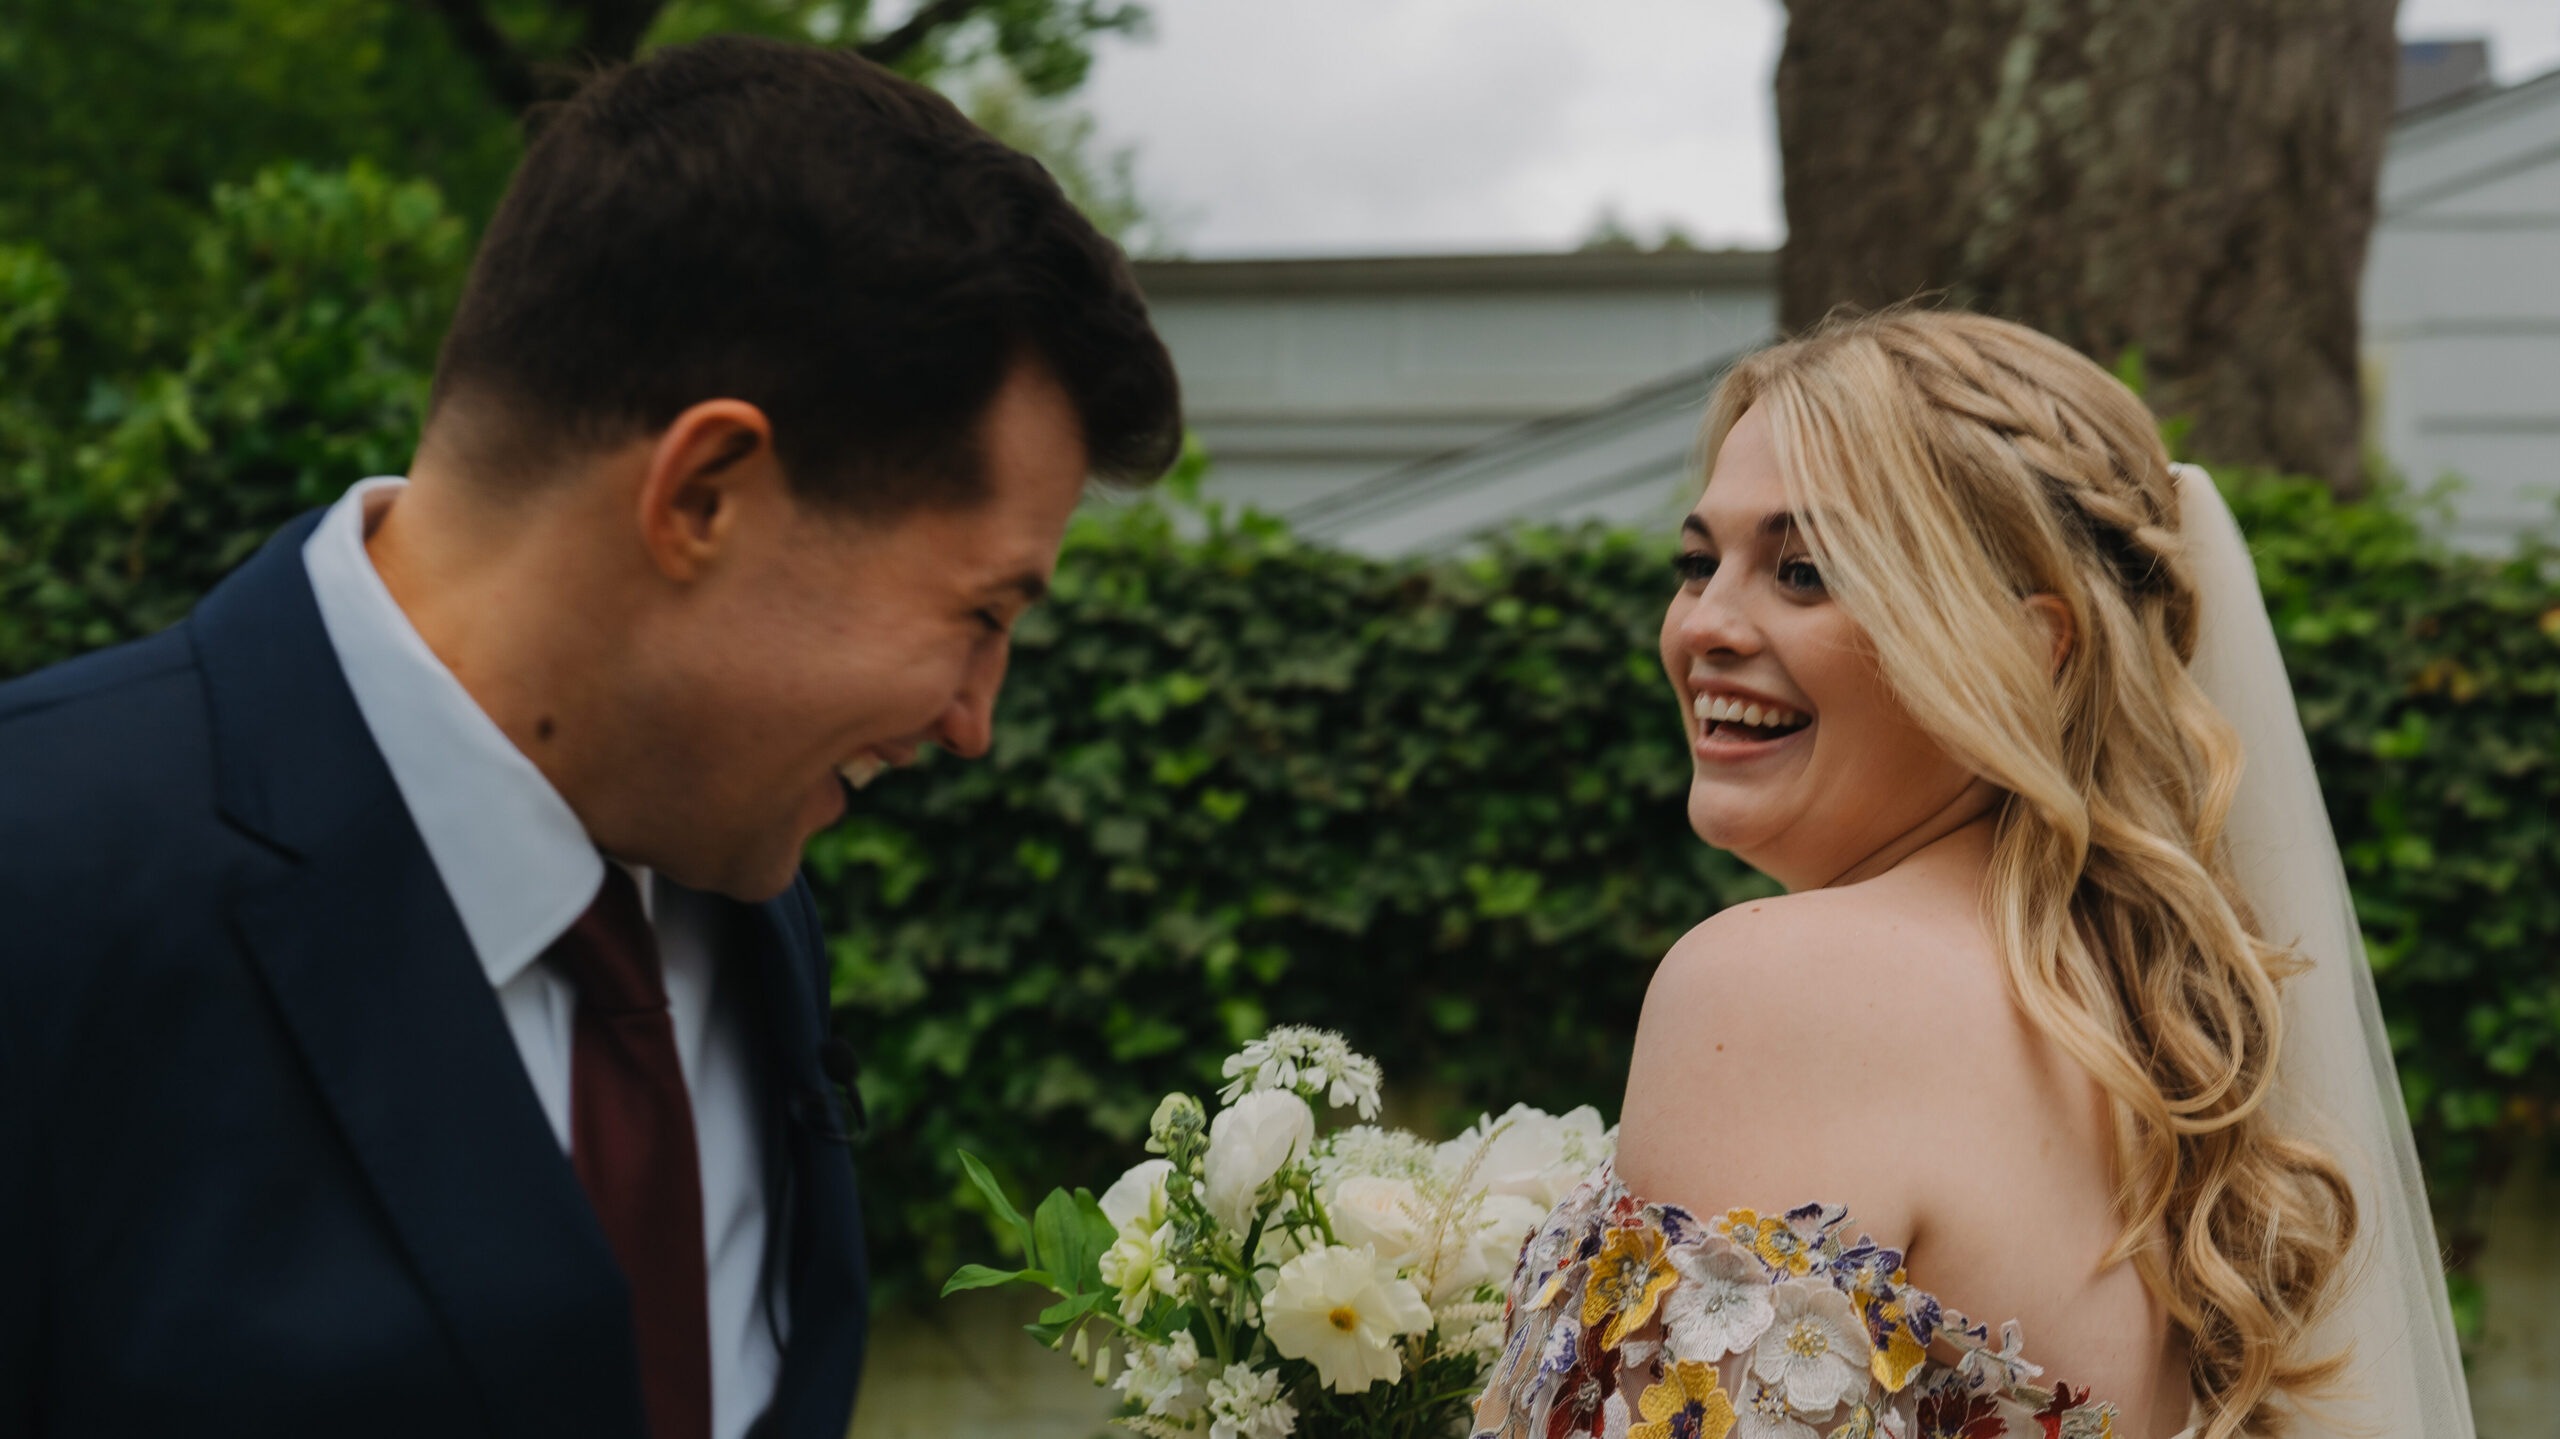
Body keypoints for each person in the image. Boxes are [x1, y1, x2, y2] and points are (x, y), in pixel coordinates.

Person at [0, 36, 1179, 1439]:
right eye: (979, 609)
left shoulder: (741, 883)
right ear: (705, 496)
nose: (975, 720)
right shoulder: (40, 886)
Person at [1469, 312, 2470, 1439]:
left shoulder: (1772, 986)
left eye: (1803, 571)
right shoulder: (2149, 1040)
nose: (1704, 623)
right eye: (1698, 562)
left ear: (2032, 645)